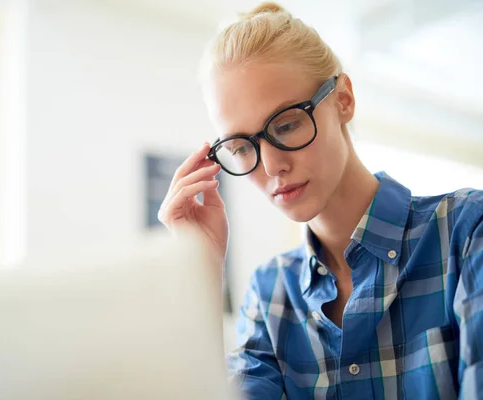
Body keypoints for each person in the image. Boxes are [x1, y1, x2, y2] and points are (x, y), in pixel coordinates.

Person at [158, 2, 483, 399]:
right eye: (243, 147)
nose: (273, 165)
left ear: (343, 99)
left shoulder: (466, 233)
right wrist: (200, 274)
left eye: (287, 124)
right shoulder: (270, 293)